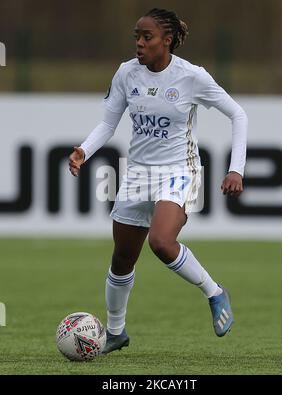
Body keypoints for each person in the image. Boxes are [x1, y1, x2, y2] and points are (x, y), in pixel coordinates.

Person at [69, 8, 247, 354]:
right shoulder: (126, 73)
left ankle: (214, 291)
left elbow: (237, 114)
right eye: (136, 35)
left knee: (162, 242)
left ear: (167, 41)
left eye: (146, 37)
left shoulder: (192, 77)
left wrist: (235, 168)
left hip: (179, 170)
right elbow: (108, 123)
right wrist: (84, 151)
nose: (139, 43)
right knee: (122, 259)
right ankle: (117, 333)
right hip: (137, 172)